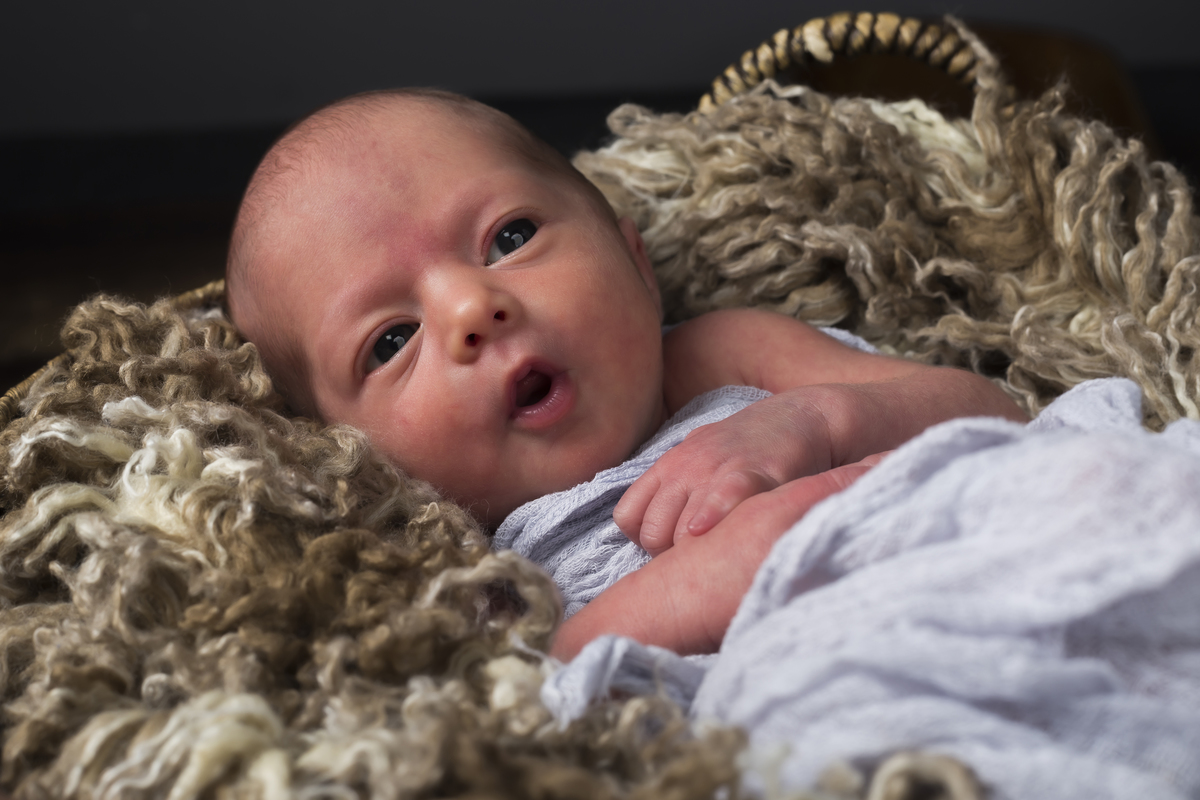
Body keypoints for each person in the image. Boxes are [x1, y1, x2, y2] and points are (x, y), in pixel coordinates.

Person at [225, 88, 1028, 660]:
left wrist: (812, 422)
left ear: (635, 263)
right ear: (344, 451)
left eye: (508, 238)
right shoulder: (454, 564)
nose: (472, 307)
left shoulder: (719, 356)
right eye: (392, 339)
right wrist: (703, 583)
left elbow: (995, 412)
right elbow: (523, 699)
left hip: (982, 578)